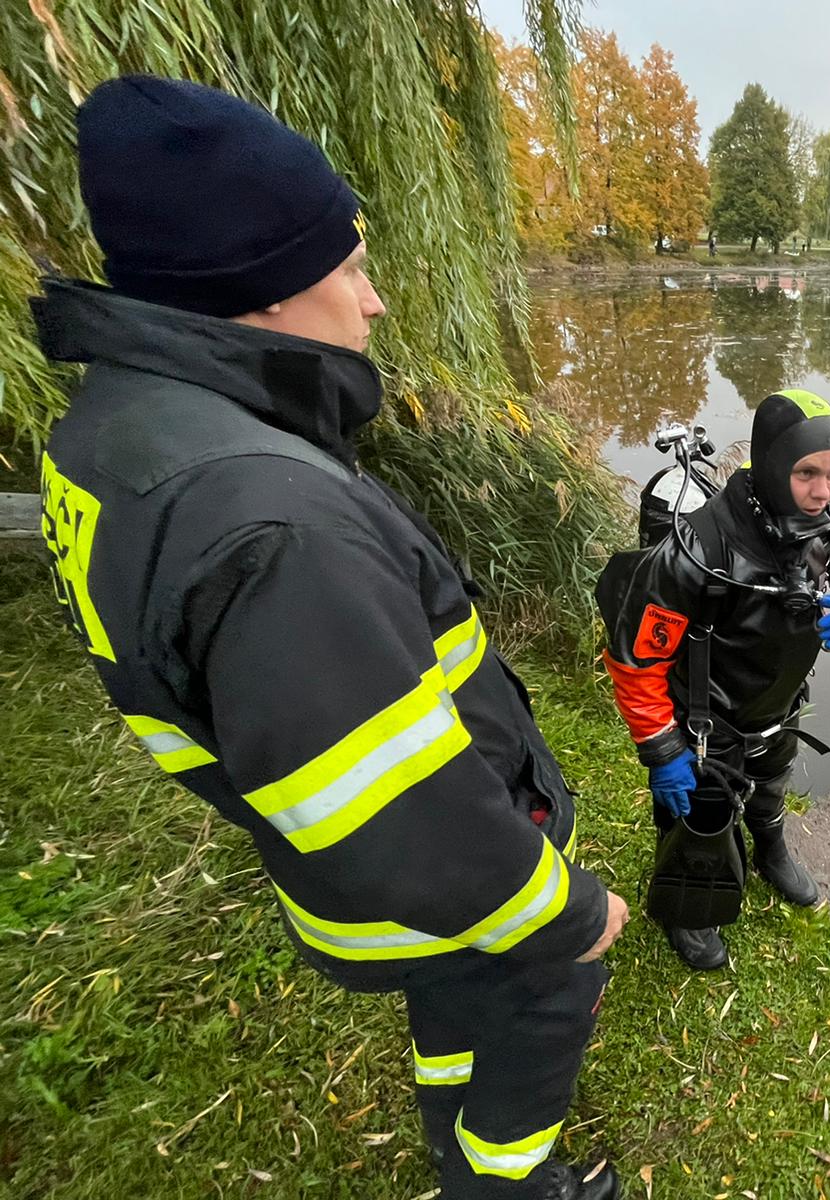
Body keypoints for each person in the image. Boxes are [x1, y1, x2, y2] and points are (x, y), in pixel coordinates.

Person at [34, 76, 624, 1199]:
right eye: (350, 267)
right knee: (534, 1010)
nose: (376, 303)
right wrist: (569, 911)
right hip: (449, 884)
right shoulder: (273, 521)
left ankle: (455, 1118)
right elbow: (399, 810)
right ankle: (507, 1183)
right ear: (260, 292)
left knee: (455, 1013)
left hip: (364, 882)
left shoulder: (115, 433)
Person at [595, 390, 830, 970]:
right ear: (770, 465)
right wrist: (662, 750)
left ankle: (772, 847)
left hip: (778, 704)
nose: (824, 491)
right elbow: (636, 661)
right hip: (705, 720)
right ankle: (689, 903)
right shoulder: (696, 550)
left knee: (772, 778)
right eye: (807, 473)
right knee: (697, 812)